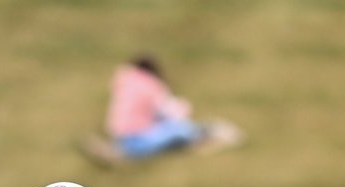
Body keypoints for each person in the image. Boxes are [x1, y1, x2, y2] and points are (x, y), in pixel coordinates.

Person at [80, 54, 243, 165]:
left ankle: (114, 150)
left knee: (166, 131)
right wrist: (183, 107)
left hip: (119, 134)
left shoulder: (125, 82)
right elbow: (168, 111)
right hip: (138, 136)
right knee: (178, 130)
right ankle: (209, 133)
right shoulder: (150, 85)